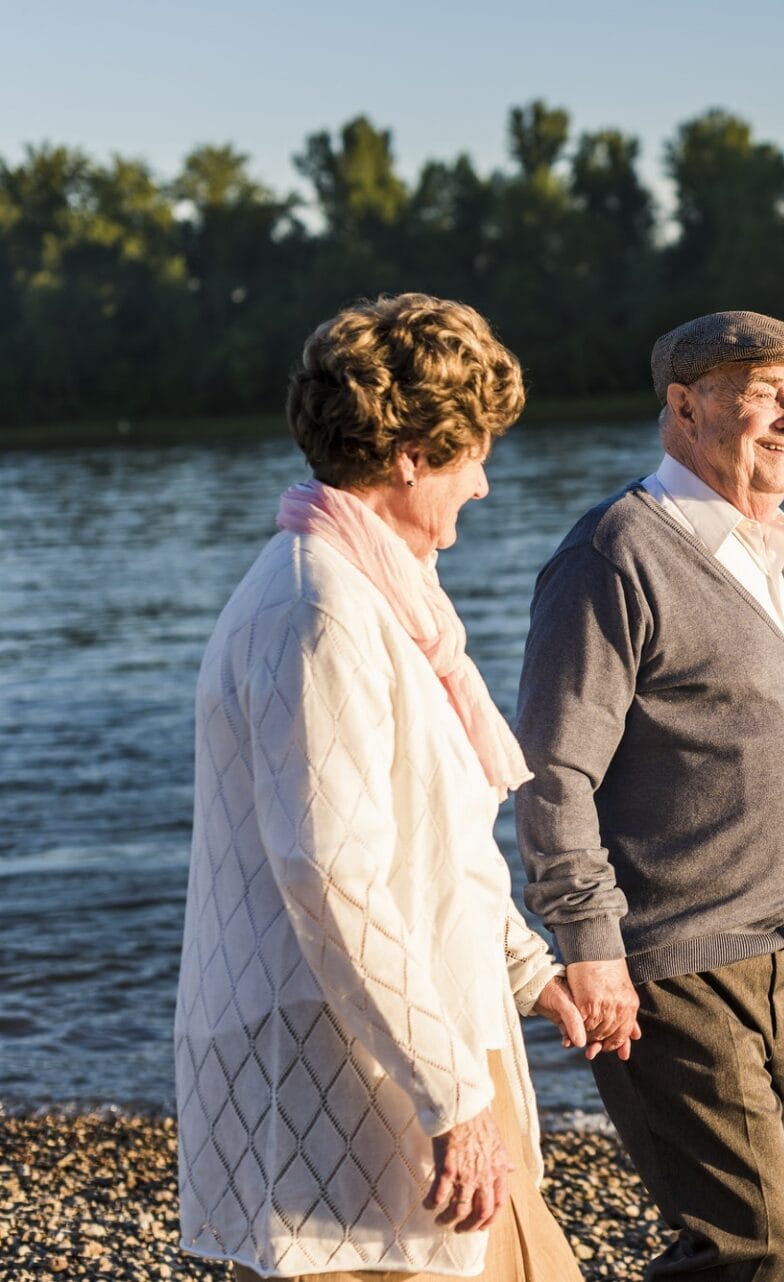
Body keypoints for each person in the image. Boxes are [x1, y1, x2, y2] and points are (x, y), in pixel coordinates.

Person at [175, 293, 590, 1281]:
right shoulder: (318, 610)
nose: (483, 483)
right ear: (410, 455)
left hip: (430, 1037)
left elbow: (433, 840)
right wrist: (453, 1099)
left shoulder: (382, 596)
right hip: (353, 1074)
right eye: (473, 454)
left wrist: (526, 972)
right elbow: (332, 876)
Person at [513, 310, 784, 1282]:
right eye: (766, 394)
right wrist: (591, 946)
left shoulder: (761, 549)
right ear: (684, 406)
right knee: (750, 1243)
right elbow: (553, 770)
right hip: (674, 965)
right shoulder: (615, 553)